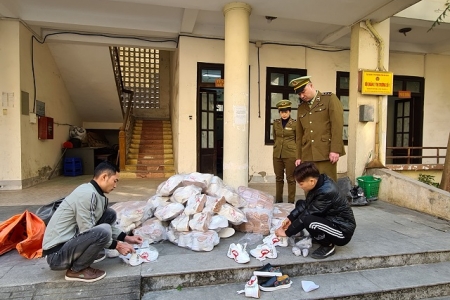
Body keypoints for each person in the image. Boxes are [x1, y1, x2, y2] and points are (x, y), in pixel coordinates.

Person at [42, 161, 143, 283]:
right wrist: (118, 245)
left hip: (68, 244)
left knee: (109, 214)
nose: (115, 185)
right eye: (115, 180)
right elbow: (88, 230)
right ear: (104, 177)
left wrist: (126, 238)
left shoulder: (94, 193)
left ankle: (90, 253)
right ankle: (76, 270)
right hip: (57, 255)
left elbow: (95, 225)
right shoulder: (87, 194)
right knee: (103, 231)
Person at [275, 162, 356, 259]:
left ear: (312, 181)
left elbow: (307, 214)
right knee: (301, 203)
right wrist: (290, 218)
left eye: (301, 184)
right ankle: (319, 236)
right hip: (331, 219)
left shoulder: (327, 192)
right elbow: (306, 204)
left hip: (342, 230)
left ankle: (328, 245)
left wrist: (287, 233)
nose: (300, 187)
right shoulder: (320, 182)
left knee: (309, 220)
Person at [289, 76, 345, 182]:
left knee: (327, 186)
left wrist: (335, 149)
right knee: (308, 186)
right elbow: (300, 134)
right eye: (299, 94)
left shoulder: (329, 99)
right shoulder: (301, 108)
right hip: (307, 154)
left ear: (311, 85)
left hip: (326, 152)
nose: (302, 96)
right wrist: (298, 156)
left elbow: (337, 125)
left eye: (303, 91)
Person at [272, 99, 297, 203]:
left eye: (286, 112)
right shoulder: (276, 123)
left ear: (290, 112)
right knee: (279, 178)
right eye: (282, 112)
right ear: (279, 112)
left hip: (290, 154)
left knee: (291, 179)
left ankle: (291, 202)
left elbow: (298, 139)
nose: (284, 114)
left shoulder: (295, 124)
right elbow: (275, 138)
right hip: (277, 154)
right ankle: (278, 202)